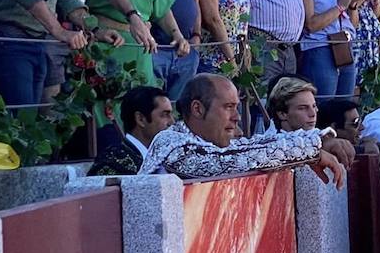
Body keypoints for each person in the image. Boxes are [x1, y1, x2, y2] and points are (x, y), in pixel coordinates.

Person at [140, 74, 347, 186]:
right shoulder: (171, 143)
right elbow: (231, 161)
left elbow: (252, 145)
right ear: (198, 109)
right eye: (228, 107)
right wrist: (311, 151)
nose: (237, 116)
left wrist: (317, 141)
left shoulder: (210, 142)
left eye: (236, 107)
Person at [90, 84, 173, 176]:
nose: (172, 122)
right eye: (165, 115)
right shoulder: (113, 163)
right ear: (141, 119)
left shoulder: (165, 159)